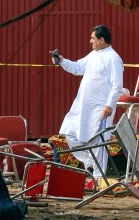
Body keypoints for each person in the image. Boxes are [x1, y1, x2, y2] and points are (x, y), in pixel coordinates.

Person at [52, 25, 124, 182]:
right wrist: (62, 61)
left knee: (98, 141)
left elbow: (117, 86)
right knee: (69, 133)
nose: (90, 41)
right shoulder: (93, 55)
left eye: (92, 38)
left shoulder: (113, 58)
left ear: (101, 39)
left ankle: (98, 177)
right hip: (83, 105)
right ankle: (91, 163)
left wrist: (109, 105)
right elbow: (78, 68)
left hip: (101, 107)